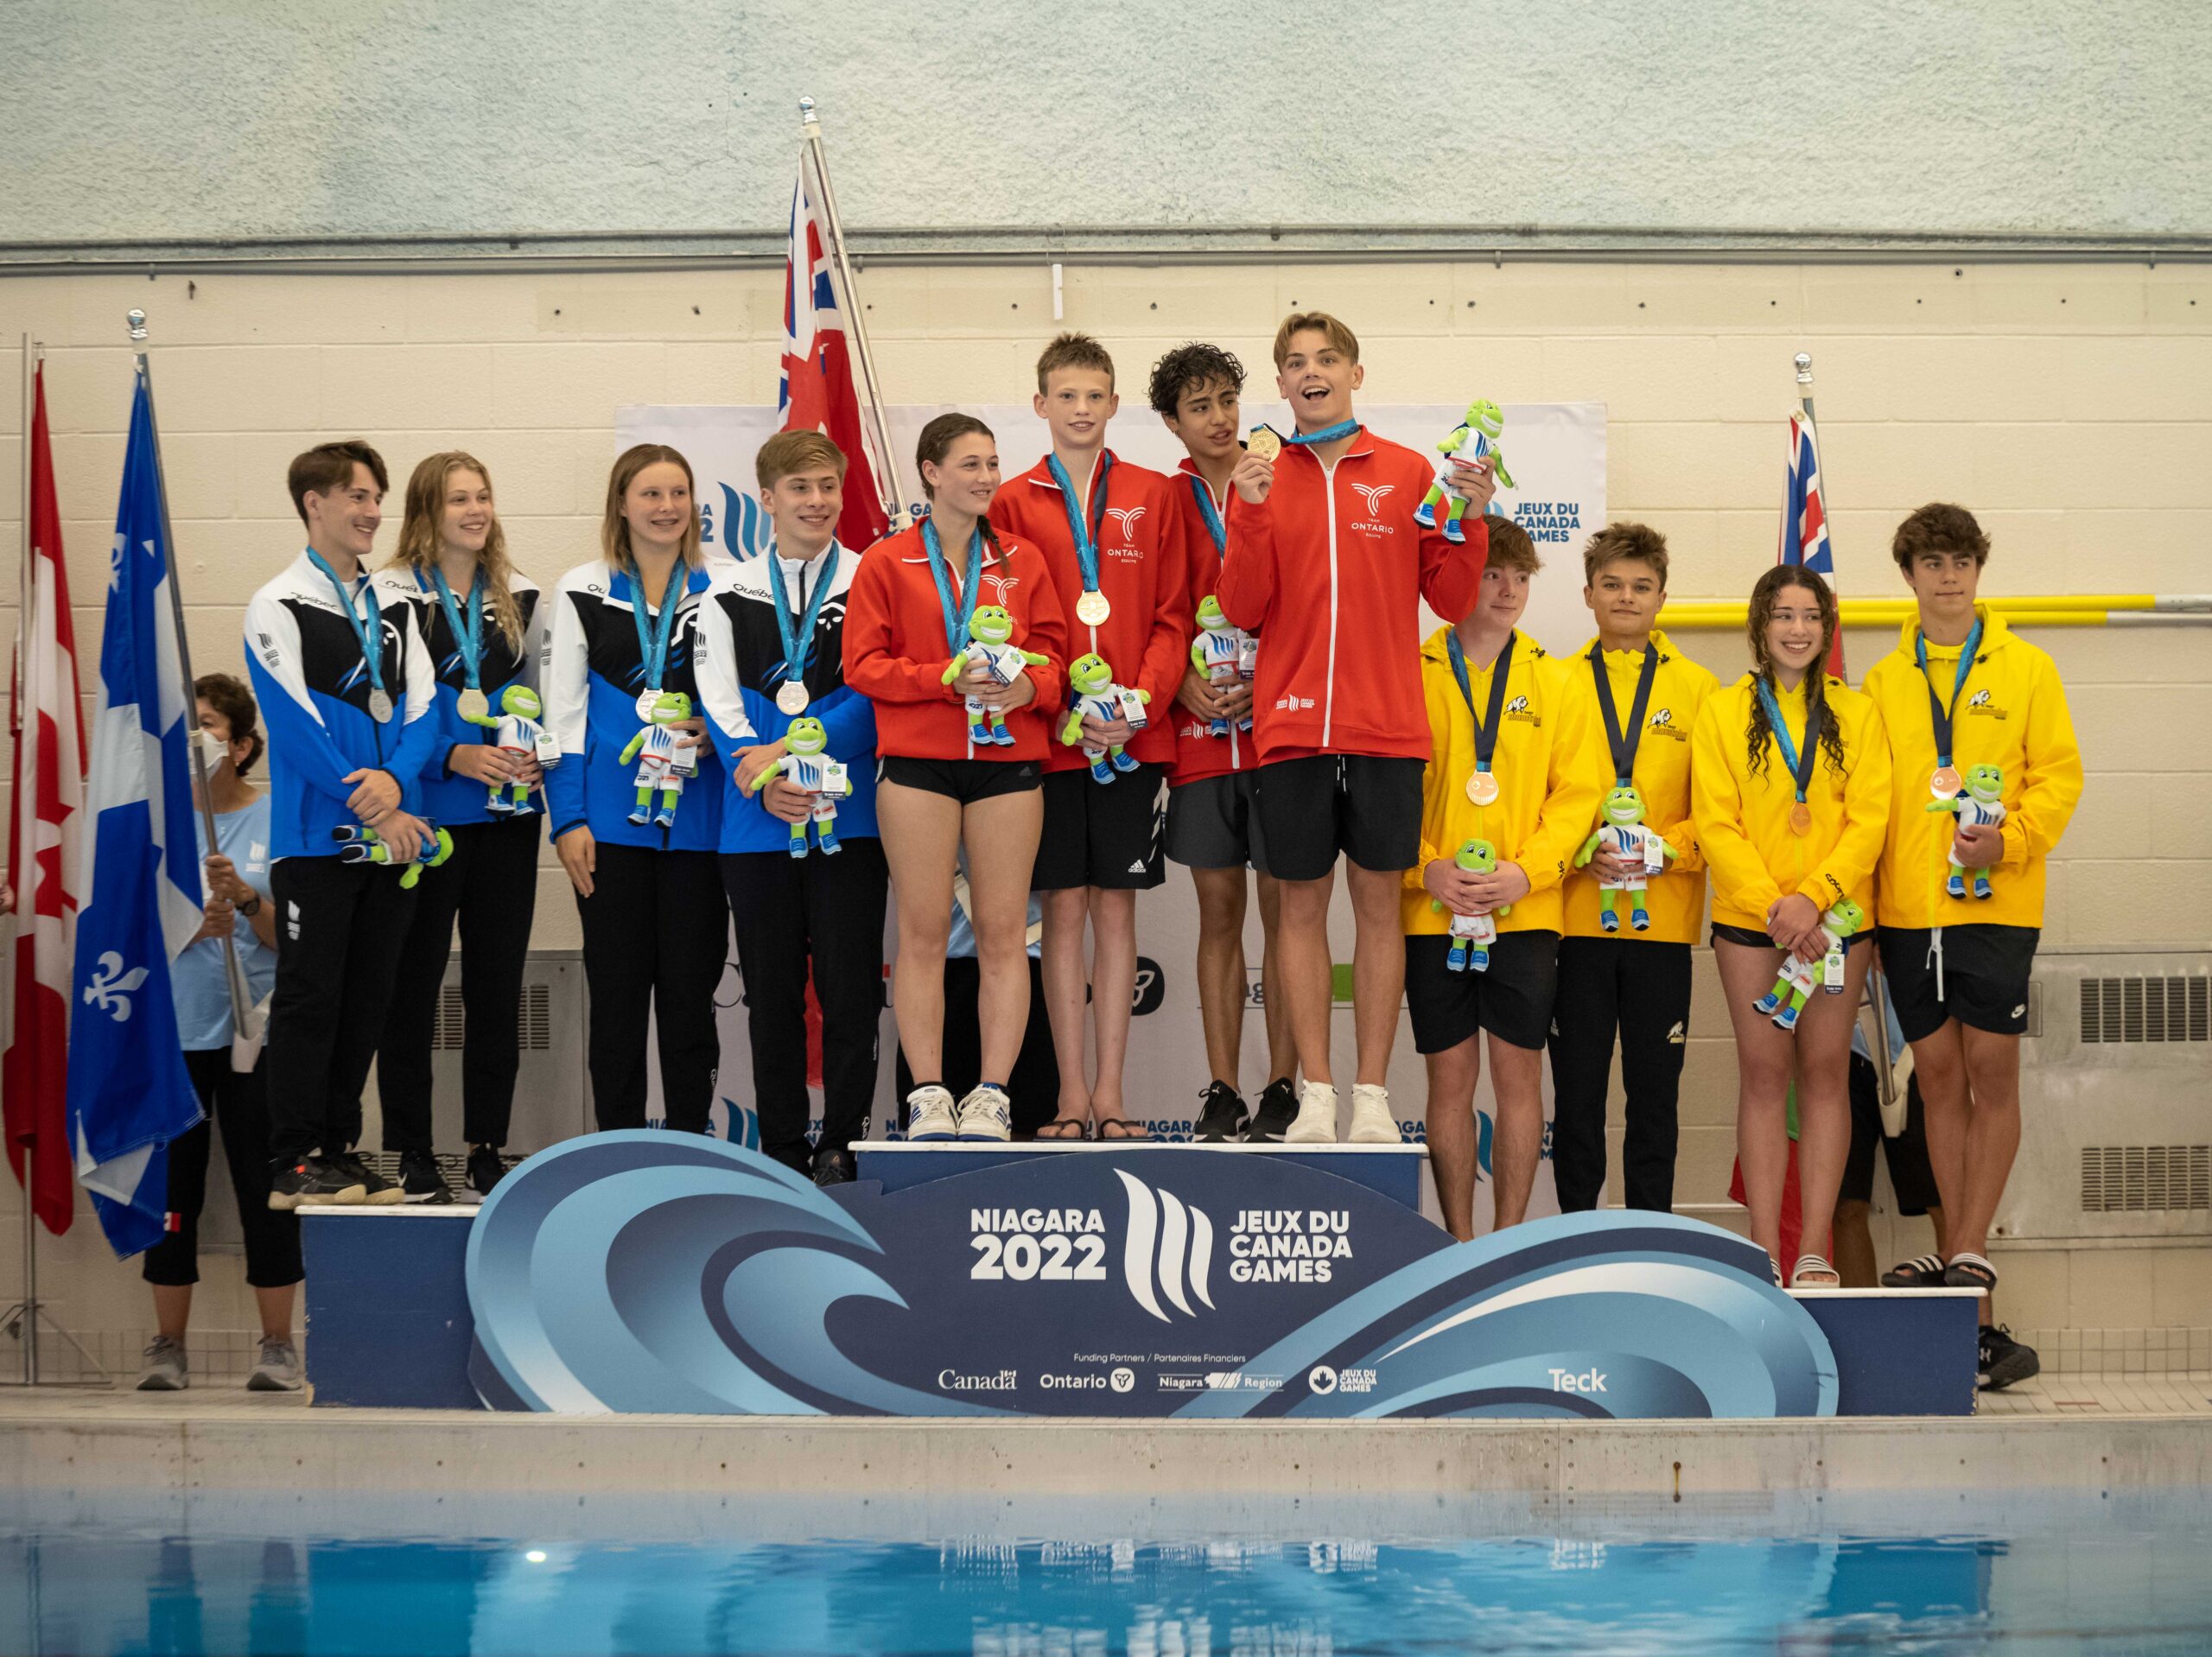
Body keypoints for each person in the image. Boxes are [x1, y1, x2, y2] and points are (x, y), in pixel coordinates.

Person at [1219, 312, 1495, 1144]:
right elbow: (1241, 607)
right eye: (1296, 362)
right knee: (1297, 913)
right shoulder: (1257, 474)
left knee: (1379, 909)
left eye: (1327, 359)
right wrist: (1253, 509)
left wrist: (1473, 518)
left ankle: (1371, 1095)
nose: (1312, 372)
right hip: (1293, 729)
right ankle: (1318, 1093)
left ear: (1355, 374)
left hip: (1385, 727)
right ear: (1281, 384)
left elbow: (1449, 601)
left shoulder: (1409, 472)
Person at [1860, 503, 2081, 1389]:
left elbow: (2057, 774)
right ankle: (1967, 1294)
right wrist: (1869, 917)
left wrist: (2012, 838)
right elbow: (1870, 803)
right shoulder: (1882, 681)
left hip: (1994, 903)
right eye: (1930, 562)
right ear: (1908, 575)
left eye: (1960, 562)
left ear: (1977, 571)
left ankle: (1964, 1255)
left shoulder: (2026, 667)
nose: (1947, 576)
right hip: (1911, 913)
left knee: (1992, 1069)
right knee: (1936, 1084)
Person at [842, 414, 1068, 1141]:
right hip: (917, 764)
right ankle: (931, 1094)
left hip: (1007, 763)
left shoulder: (1023, 562)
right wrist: (943, 679)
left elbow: (1055, 661)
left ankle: (993, 1096)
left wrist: (1029, 689)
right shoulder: (886, 562)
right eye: (969, 464)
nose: (985, 477)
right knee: (923, 931)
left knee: (1006, 933)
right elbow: (863, 668)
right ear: (930, 473)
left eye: (992, 463)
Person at [989, 333, 1188, 1142]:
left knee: (1117, 917)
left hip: (1132, 739)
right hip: (1052, 735)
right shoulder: (1009, 501)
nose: (1080, 409)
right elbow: (1001, 621)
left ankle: (1112, 1095)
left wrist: (1139, 702)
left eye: (1095, 394)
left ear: (1113, 404)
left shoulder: (1152, 494)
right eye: (1065, 396)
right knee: (1060, 914)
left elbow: (1175, 615)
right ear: (1041, 405)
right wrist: (1066, 691)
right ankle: (1070, 1095)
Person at [245, 440, 438, 1209]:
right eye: (356, 496)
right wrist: (378, 802)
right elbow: (292, 725)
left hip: (386, 842)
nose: (371, 512)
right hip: (317, 843)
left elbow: (423, 706)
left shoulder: (394, 604)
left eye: (375, 497)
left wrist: (396, 781)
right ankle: (292, 1158)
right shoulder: (277, 602)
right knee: (310, 998)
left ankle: (338, 1150)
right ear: (314, 503)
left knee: (367, 1001)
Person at [695, 431, 885, 1186]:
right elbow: (715, 698)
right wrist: (757, 776)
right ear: (767, 499)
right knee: (771, 997)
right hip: (754, 823)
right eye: (800, 488)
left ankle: (841, 1142)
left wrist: (784, 757)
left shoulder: (872, 576)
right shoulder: (723, 591)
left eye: (827, 487)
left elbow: (875, 696)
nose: (816, 501)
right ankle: (779, 1145)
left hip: (850, 818)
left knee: (849, 992)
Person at [1691, 565, 1891, 1286]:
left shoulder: (1859, 713)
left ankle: (1811, 1251)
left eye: (1811, 616)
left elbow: (1871, 820)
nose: (1798, 629)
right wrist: (1777, 906)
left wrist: (1817, 897)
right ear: (1760, 624)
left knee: (1827, 1076)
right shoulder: (1721, 712)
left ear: (1827, 627)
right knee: (1764, 1076)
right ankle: (1765, 1254)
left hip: (1837, 922)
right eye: (1784, 615)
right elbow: (1715, 819)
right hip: (1755, 923)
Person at [1402, 518, 1599, 1237]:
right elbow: (1386, 792)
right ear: (1459, 580)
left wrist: (1527, 873)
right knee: (1448, 1083)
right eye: (1491, 573)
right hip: (1433, 912)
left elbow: (1579, 795)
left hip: (1526, 912)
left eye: (1520, 575)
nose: (1509, 588)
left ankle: (1509, 1242)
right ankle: (1458, 1244)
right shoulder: (1410, 670)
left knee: (1519, 1081)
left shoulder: (1558, 679)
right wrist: (1427, 869)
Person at [371, 452, 544, 1202]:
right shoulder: (387, 595)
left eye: (484, 495)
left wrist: (537, 760)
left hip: (507, 820)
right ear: (425, 512)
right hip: (424, 820)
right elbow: (381, 711)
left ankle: (485, 1145)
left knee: (495, 988)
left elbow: (544, 700)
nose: (476, 510)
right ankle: (409, 1147)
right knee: (410, 988)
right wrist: (453, 755)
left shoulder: (522, 595)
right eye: (457, 500)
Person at [545, 445, 725, 1133]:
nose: (666, 507)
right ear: (621, 504)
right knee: (618, 1003)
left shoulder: (723, 589)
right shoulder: (582, 591)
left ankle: (689, 1144)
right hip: (608, 832)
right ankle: (617, 1147)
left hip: (702, 827)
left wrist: (713, 731)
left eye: (678, 493)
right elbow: (560, 716)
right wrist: (567, 822)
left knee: (689, 1002)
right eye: (650, 494)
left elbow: (740, 702)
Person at [1148, 341, 1298, 1142]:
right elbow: (1148, 610)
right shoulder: (1159, 498)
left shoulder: (1280, 474)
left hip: (1276, 726)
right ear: (1173, 423)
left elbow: (1307, 598)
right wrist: (1176, 685)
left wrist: (1267, 678)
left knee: (1284, 911)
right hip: (1200, 731)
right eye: (1199, 407)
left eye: (1227, 400)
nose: (1219, 418)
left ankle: (1282, 1086)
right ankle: (1220, 1089)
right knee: (1218, 912)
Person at [137, 675, 302, 1392]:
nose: (195, 741)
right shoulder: (150, 832)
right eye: (188, 727)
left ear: (238, 746)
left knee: (265, 1190)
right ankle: (167, 1348)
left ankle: (277, 1347)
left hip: (254, 1038)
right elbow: (124, 942)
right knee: (174, 1197)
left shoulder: (277, 821)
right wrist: (185, 929)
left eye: (208, 726)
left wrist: (243, 897)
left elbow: (291, 939)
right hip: (175, 1039)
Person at [1548, 524, 1719, 1214]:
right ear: (1588, 594)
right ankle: (1574, 1243)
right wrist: (1586, 847)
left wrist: (1660, 848)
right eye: (1612, 585)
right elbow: (1544, 801)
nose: (1626, 597)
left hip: (1662, 928)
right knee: (1578, 1096)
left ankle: (1651, 1242)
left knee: (1656, 1098)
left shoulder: (1703, 690)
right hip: (1573, 924)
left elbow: (1717, 810)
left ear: (1662, 598)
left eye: (1641, 587)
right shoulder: (1557, 682)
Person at [1836, 981, 1946, 1290]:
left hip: (1923, 1045)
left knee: (1948, 1203)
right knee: (1845, 1204)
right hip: (1844, 1051)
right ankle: (1860, 1329)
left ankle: (1970, 1328)